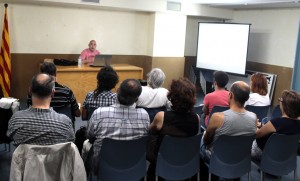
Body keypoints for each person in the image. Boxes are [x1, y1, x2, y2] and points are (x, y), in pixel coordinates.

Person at [84, 79, 150, 173]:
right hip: (133, 166)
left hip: (102, 168)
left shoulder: (99, 113)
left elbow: (89, 136)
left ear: (118, 92)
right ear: (137, 99)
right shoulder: (144, 116)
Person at [147, 77, 199, 180]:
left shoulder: (161, 116)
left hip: (163, 158)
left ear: (172, 96)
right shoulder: (196, 118)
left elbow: (151, 130)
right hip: (185, 159)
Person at [7, 73, 75, 146]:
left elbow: (10, 136)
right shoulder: (65, 122)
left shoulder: (16, 119)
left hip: (25, 157)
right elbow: (71, 141)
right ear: (53, 93)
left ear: (30, 91)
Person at [201, 81, 257, 162]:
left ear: (230, 95)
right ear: (247, 98)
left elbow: (206, 141)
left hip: (217, 159)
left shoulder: (217, 117)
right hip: (240, 159)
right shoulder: (254, 117)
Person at [252, 90, 300, 160]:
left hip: (266, 154)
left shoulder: (277, 122)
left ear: (284, 105)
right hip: (286, 156)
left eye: (280, 100)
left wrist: (254, 125)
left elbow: (257, 134)